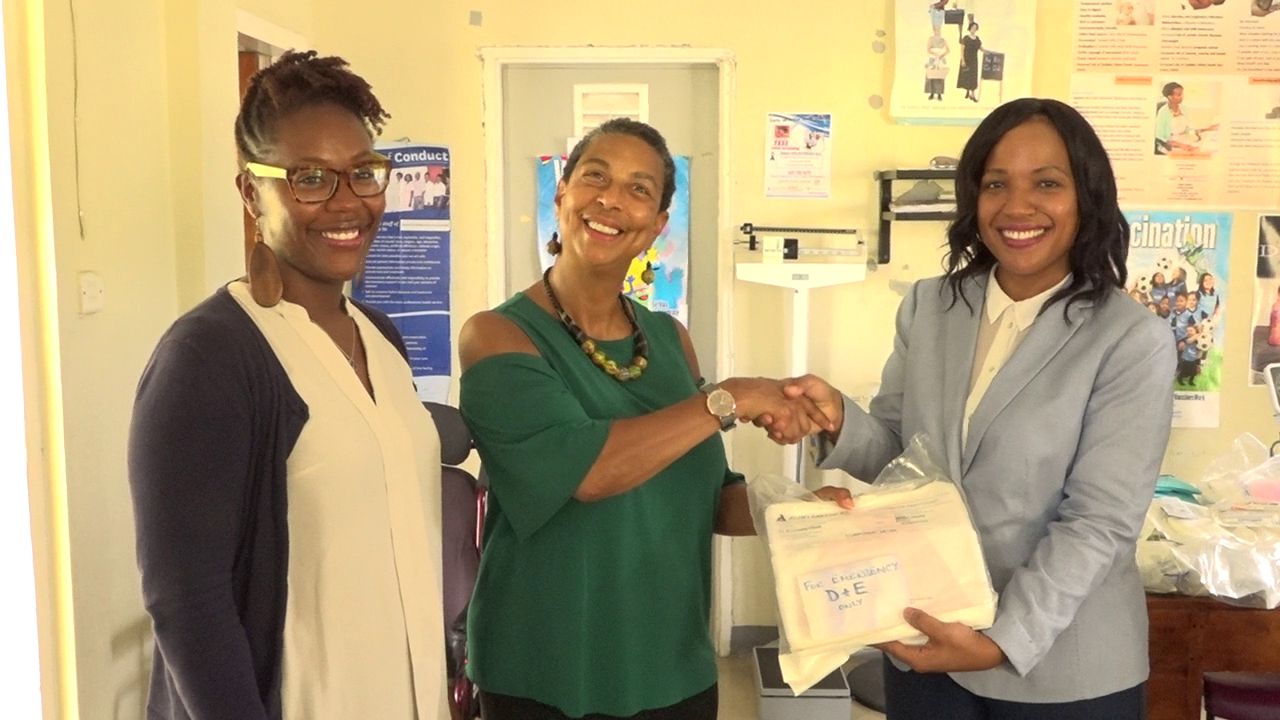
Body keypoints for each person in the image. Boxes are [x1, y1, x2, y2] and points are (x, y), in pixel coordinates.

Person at [775, 98, 1175, 719]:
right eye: (995, 184)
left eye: (1047, 183)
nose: (1017, 207)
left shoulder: (1129, 341)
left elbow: (1099, 522)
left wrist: (999, 641)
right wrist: (838, 420)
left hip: (1061, 671)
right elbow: (903, 457)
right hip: (929, 642)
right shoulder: (932, 307)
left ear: (1087, 197)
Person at [458, 118, 851, 720]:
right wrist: (730, 398)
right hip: (548, 665)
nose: (612, 199)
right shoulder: (498, 335)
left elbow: (711, 497)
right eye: (595, 177)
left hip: (673, 662)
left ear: (657, 225)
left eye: (639, 189)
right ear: (561, 195)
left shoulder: (669, 339)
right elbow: (589, 472)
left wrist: (799, 513)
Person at [128, 51, 449, 720]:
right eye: (310, 178)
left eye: (363, 173)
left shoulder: (380, 337)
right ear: (252, 192)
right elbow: (187, 604)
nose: (347, 202)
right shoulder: (212, 357)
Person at [958, 22, 982, 102]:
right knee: (967, 77)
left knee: (973, 77)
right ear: (970, 28)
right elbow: (962, 50)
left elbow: (981, 48)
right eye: (972, 27)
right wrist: (963, 60)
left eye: (975, 28)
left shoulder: (977, 39)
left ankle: (973, 94)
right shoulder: (966, 38)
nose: (974, 29)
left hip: (974, 60)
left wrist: (988, 52)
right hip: (966, 59)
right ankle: (967, 91)